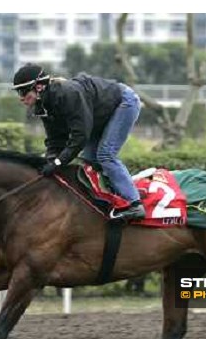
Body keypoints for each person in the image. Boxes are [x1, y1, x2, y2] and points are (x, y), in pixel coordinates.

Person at [12, 63, 146, 221]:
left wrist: (57, 163)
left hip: (124, 103)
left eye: (23, 91)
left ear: (39, 87)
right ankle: (115, 197)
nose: (20, 98)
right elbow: (56, 140)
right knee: (89, 160)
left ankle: (134, 204)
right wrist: (49, 161)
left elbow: (80, 137)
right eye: (18, 92)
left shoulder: (69, 94)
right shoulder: (42, 106)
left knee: (105, 155)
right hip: (98, 114)